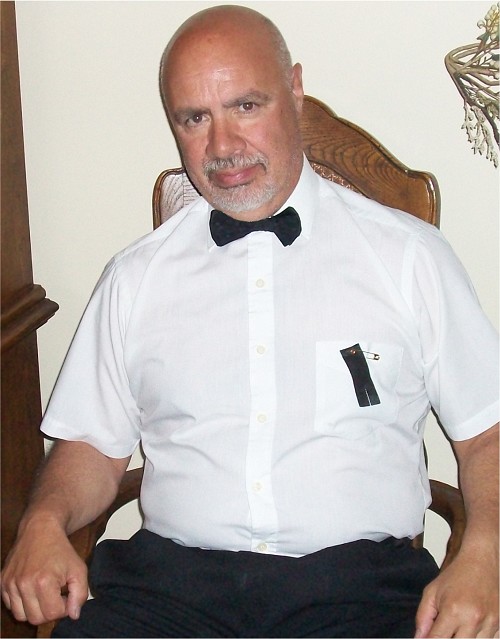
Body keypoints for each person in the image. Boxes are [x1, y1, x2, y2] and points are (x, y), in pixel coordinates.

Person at [1, 5, 498, 638]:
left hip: (360, 596)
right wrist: (42, 523)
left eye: (245, 106)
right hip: (168, 596)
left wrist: (487, 554)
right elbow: (92, 447)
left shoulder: (409, 259)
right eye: (194, 118)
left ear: (294, 89)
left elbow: (488, 436)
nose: (222, 147)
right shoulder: (135, 276)